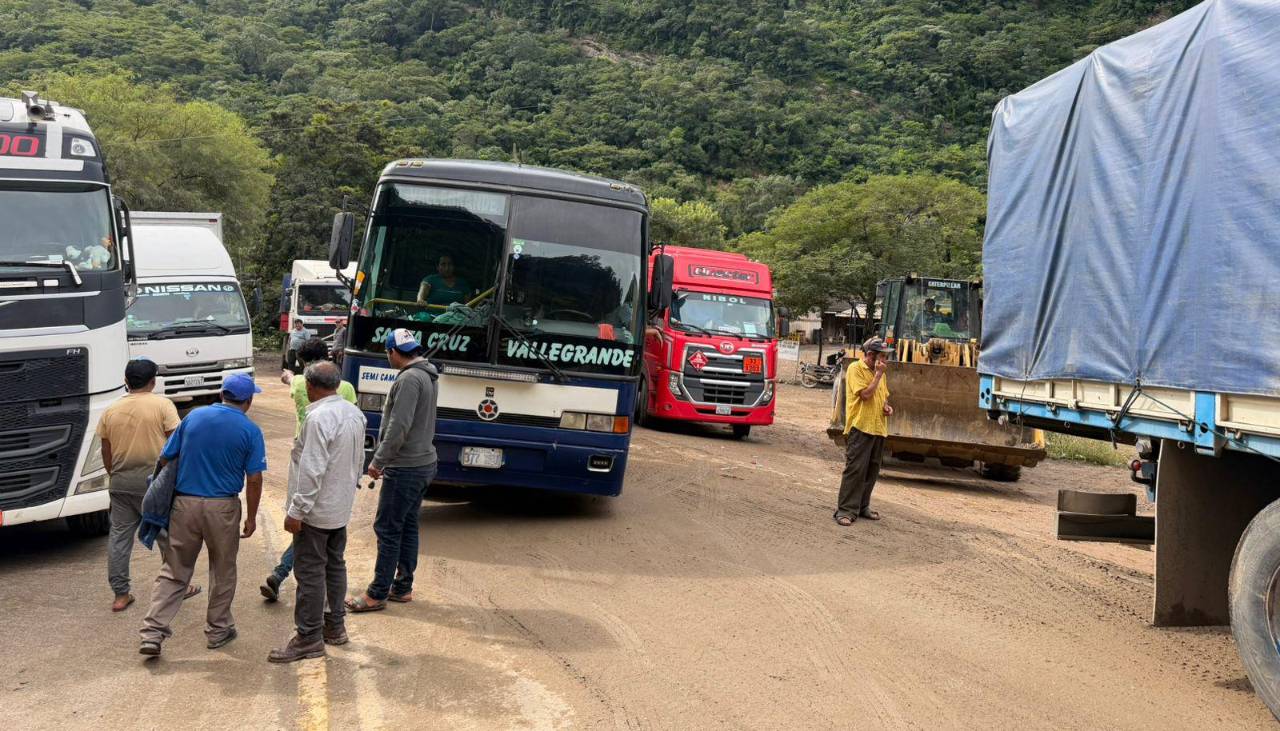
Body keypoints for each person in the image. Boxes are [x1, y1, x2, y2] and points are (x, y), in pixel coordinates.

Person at [138, 373, 267, 656]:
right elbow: (254, 478)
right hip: (222, 508)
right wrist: (252, 517)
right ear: (248, 401)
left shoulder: (194, 418)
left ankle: (152, 633)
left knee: (174, 570)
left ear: (222, 394)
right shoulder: (250, 430)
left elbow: (165, 458)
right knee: (222, 569)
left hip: (184, 506)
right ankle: (218, 630)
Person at [269, 361, 366, 662]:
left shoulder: (319, 418)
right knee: (334, 566)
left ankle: (308, 637)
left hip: (316, 510)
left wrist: (296, 511)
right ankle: (334, 627)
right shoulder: (355, 414)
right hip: (338, 508)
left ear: (310, 386)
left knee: (310, 573)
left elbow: (311, 470)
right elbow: (358, 461)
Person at [346, 328, 439, 613]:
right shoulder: (428, 374)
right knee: (407, 526)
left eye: (388, 354)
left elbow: (399, 426)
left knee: (387, 528)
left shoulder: (410, 379)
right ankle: (402, 587)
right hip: (423, 462)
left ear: (392, 352)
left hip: (407, 466)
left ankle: (377, 593)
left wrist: (378, 461)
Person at [261, 337, 358, 602]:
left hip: (305, 444)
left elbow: (291, 382)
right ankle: (329, 612)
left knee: (309, 534)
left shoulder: (302, 384)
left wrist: (297, 509)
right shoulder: (347, 391)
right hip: (339, 459)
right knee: (327, 549)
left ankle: (282, 574)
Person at [98, 359, 188, 612]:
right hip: (155, 481)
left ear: (126, 381)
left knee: (119, 539)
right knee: (168, 536)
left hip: (120, 482)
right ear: (153, 382)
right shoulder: (162, 405)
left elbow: (106, 450)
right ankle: (177, 587)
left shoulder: (111, 410)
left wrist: (115, 474)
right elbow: (176, 444)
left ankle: (121, 594)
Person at [833, 337, 894, 527]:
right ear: (870, 355)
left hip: (878, 427)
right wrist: (877, 375)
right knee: (855, 469)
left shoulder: (881, 373)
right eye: (882, 356)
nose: (885, 361)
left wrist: (886, 407)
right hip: (860, 427)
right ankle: (845, 510)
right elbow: (866, 395)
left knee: (871, 470)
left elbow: (881, 396)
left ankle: (862, 506)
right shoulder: (855, 369)